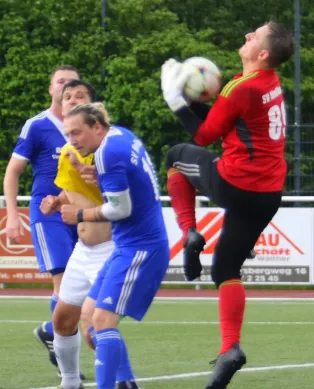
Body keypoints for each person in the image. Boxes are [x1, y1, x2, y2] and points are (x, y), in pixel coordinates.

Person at [160, 21, 294, 388]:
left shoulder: (243, 86)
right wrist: (196, 102)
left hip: (235, 184)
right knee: (225, 271)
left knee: (175, 157)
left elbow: (204, 134)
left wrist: (176, 101)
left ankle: (189, 231)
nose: (248, 36)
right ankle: (230, 348)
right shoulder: (267, 85)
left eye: (255, 36)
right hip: (268, 195)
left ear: (263, 53)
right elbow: (224, 123)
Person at [59, 103, 169, 389]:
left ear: (97, 126)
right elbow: (130, 184)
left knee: (104, 323)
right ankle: (126, 383)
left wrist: (79, 215)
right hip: (128, 246)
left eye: (77, 132)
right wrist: (99, 179)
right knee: (90, 323)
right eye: (68, 134)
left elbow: (121, 209)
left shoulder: (108, 152)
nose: (72, 140)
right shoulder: (120, 135)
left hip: (140, 249)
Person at [40, 81, 139, 389]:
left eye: (78, 96)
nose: (70, 100)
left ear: (92, 110)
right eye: (66, 97)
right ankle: (70, 382)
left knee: (93, 327)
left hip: (112, 246)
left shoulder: (110, 149)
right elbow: (70, 193)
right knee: (61, 320)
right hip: (83, 250)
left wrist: (96, 182)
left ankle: (125, 382)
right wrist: (57, 200)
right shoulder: (70, 152)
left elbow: (123, 201)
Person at [3, 65, 84, 376]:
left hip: (82, 212)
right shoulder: (37, 125)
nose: (67, 88)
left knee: (84, 289)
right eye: (61, 82)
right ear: (52, 90)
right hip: (49, 214)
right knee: (63, 282)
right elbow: (13, 171)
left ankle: (52, 332)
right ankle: (67, 368)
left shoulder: (90, 126)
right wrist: (12, 214)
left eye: (73, 84)